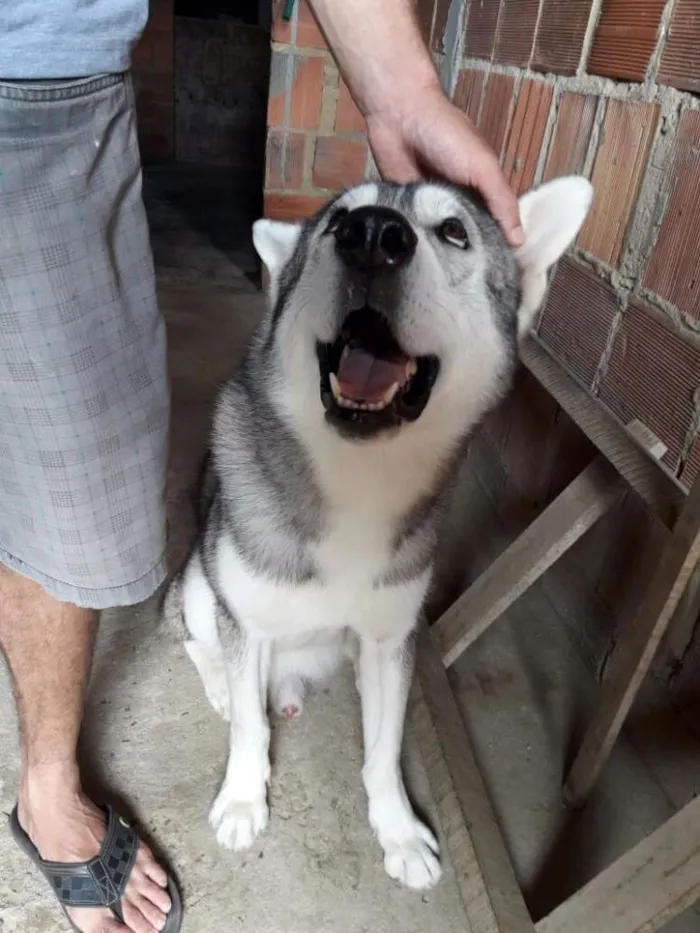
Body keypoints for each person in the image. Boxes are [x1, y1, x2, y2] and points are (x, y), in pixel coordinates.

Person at [0, 2, 522, 932]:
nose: (378, 239)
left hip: (49, 69)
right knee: (210, 601)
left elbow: (389, 644)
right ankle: (198, 754)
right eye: (349, 233)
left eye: (442, 237)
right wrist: (243, 757)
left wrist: (401, 85)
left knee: (84, 468)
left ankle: (378, 789)